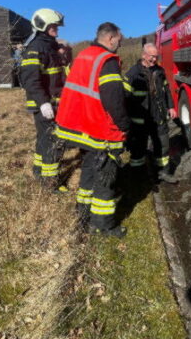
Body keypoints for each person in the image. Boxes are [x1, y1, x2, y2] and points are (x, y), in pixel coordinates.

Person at [55, 22, 132, 238]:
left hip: (80, 127)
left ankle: (83, 214)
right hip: (99, 129)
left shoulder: (84, 55)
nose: (120, 43)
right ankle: (103, 224)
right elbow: (113, 99)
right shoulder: (107, 61)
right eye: (119, 39)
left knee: (88, 171)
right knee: (106, 179)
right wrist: (125, 125)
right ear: (110, 38)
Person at [20, 8, 69, 192]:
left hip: (51, 102)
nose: (56, 29)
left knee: (43, 140)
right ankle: (50, 184)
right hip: (44, 105)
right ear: (43, 26)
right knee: (52, 142)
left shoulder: (50, 46)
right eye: (53, 26)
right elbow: (30, 80)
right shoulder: (35, 49)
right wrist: (44, 103)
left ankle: (39, 173)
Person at [126, 43, 178, 183]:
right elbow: (126, 97)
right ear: (143, 55)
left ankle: (163, 173)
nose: (154, 59)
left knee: (163, 145)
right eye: (152, 56)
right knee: (138, 148)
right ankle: (138, 177)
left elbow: (166, 90)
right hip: (140, 119)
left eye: (156, 56)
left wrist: (171, 107)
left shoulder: (160, 71)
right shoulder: (133, 73)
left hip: (158, 116)